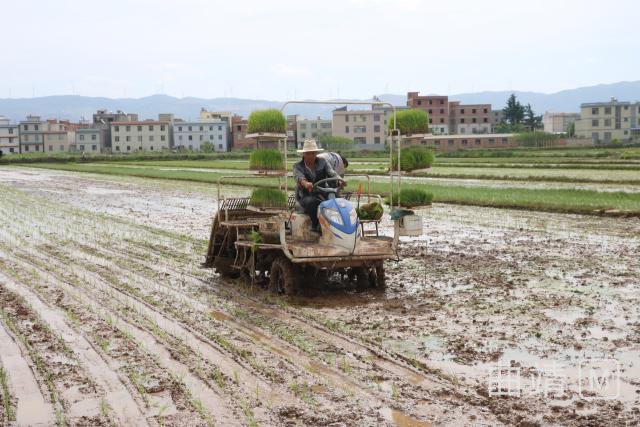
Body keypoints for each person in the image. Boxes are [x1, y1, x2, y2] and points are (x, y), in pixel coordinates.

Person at [293, 139, 345, 232]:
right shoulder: (297, 166)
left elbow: (332, 173)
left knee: (338, 201)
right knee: (312, 202)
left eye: (313, 153)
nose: (311, 156)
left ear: (316, 153)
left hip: (322, 192)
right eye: (308, 153)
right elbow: (300, 178)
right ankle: (315, 225)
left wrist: (339, 180)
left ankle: (341, 226)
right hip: (305, 195)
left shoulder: (323, 162)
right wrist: (306, 183)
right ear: (303, 154)